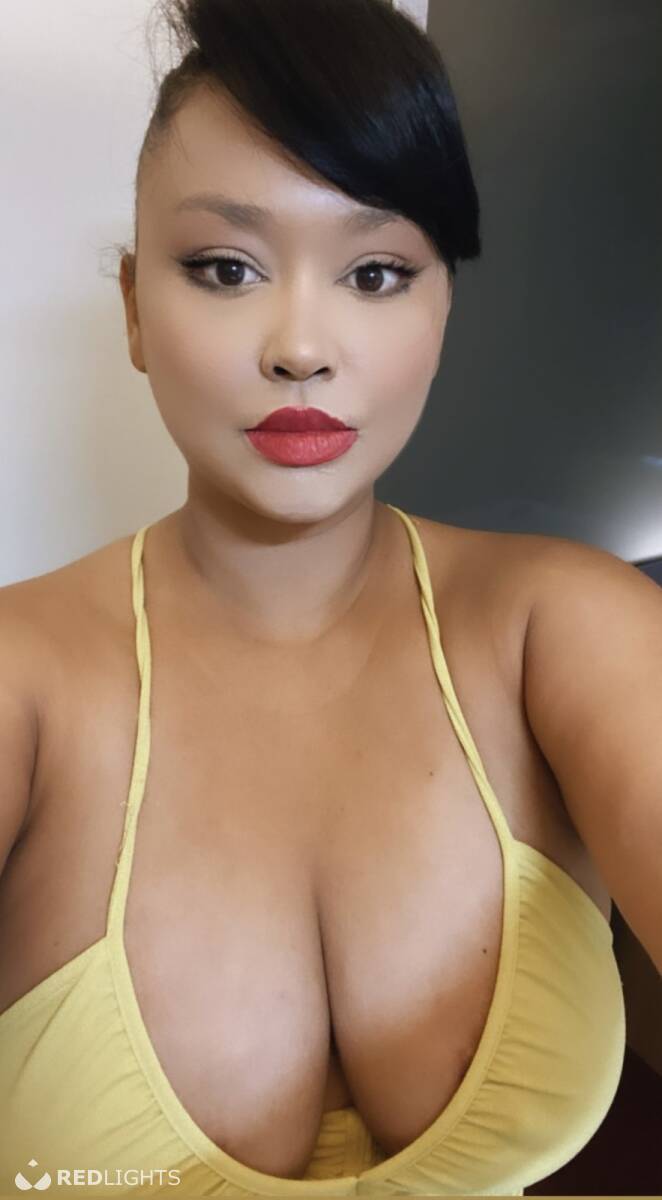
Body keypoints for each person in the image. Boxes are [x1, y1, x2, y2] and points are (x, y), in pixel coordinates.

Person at [1, 0, 660, 1195]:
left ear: (440, 308)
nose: (300, 348)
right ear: (135, 309)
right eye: (225, 268)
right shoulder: (19, 681)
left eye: (374, 272)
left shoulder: (565, 627)